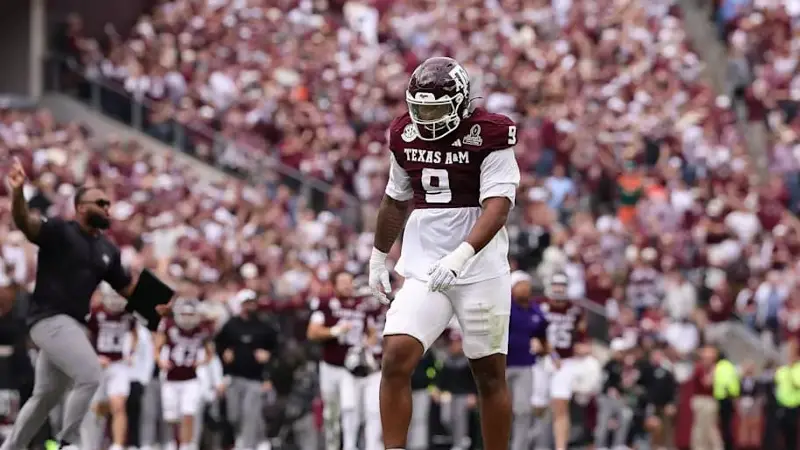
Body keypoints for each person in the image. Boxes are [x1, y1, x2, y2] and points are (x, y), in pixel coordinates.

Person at [369, 56, 520, 450]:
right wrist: (377, 256)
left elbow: (498, 207)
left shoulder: (490, 132)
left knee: (488, 373)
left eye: (435, 109)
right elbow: (394, 199)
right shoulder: (404, 133)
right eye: (419, 109)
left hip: (480, 265)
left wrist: (462, 254)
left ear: (461, 102)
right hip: (424, 263)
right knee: (396, 356)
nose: (425, 118)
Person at [2, 159, 142, 450]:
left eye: (107, 203)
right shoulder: (60, 231)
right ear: (81, 208)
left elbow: (125, 287)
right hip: (49, 319)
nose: (106, 207)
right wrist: (17, 194)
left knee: (45, 397)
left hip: (73, 325)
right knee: (90, 375)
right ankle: (68, 443)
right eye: (99, 202)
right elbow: (26, 223)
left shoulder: (108, 249)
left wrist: (157, 307)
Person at [306, 271, 377, 450]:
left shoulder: (361, 306)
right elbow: (312, 332)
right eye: (343, 282)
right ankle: (332, 446)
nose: (347, 285)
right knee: (331, 412)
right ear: (334, 285)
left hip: (350, 367)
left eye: (349, 281)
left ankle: (350, 446)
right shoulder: (326, 304)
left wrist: (364, 346)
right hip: (330, 366)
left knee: (349, 407)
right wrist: (334, 331)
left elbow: (372, 333)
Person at [215, 290, 277, 450]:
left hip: (255, 378)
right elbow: (217, 346)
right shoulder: (231, 325)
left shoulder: (264, 326)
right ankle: (251, 439)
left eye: (252, 302)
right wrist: (224, 354)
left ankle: (247, 446)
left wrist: (268, 356)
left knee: (250, 414)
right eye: (246, 302)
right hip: (234, 377)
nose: (250, 305)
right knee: (233, 415)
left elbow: (277, 349)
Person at [81, 286, 139, 450]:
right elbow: (84, 337)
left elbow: (135, 334)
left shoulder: (129, 314)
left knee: (119, 405)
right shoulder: (95, 313)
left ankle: (118, 445)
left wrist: (131, 352)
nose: (116, 301)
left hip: (119, 364)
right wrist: (94, 357)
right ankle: (93, 443)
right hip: (98, 365)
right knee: (96, 408)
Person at [154, 298, 214, 450]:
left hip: (190, 379)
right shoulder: (169, 327)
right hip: (171, 379)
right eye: (184, 314)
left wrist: (201, 362)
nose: (187, 318)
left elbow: (209, 353)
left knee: (188, 413)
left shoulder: (201, 330)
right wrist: (161, 362)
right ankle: (172, 443)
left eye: (190, 314)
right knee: (171, 417)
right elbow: (156, 348)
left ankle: (186, 446)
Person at [538, 273, 588, 450]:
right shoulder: (539, 305)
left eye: (562, 285)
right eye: (555, 284)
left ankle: (560, 447)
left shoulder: (575, 310)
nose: (559, 288)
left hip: (565, 362)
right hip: (541, 361)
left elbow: (582, 337)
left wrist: (583, 347)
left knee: (560, 405)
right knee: (538, 406)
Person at [506, 271, 548, 450]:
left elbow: (543, 337)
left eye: (527, 284)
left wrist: (543, 348)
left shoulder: (536, 311)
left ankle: (518, 447)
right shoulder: (504, 307)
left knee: (522, 410)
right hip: (501, 366)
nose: (525, 288)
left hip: (525, 365)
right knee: (500, 410)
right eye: (521, 284)